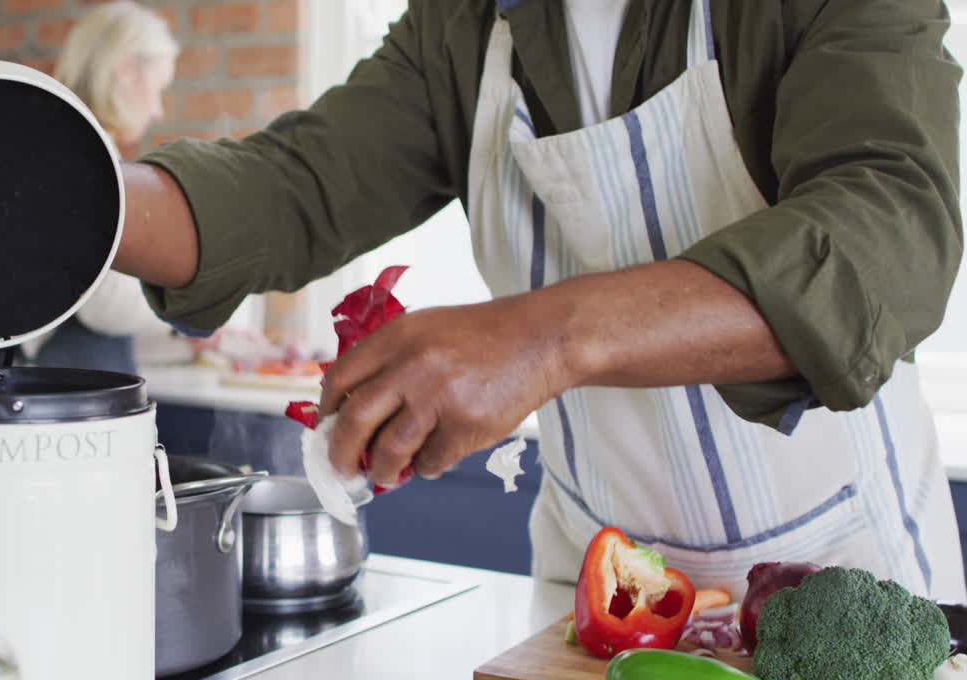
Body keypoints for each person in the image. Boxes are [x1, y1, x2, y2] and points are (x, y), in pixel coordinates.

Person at [109, 0, 967, 620]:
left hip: (844, 588)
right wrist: (78, 196)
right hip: (594, 603)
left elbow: (887, 230)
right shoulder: (464, 27)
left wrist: (542, 339)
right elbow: (292, 188)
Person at [23, 1, 181, 374]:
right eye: (158, 87)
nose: (158, 110)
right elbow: (103, 304)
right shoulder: (86, 153)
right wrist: (192, 313)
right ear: (125, 70)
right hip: (63, 365)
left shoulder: (51, 135)